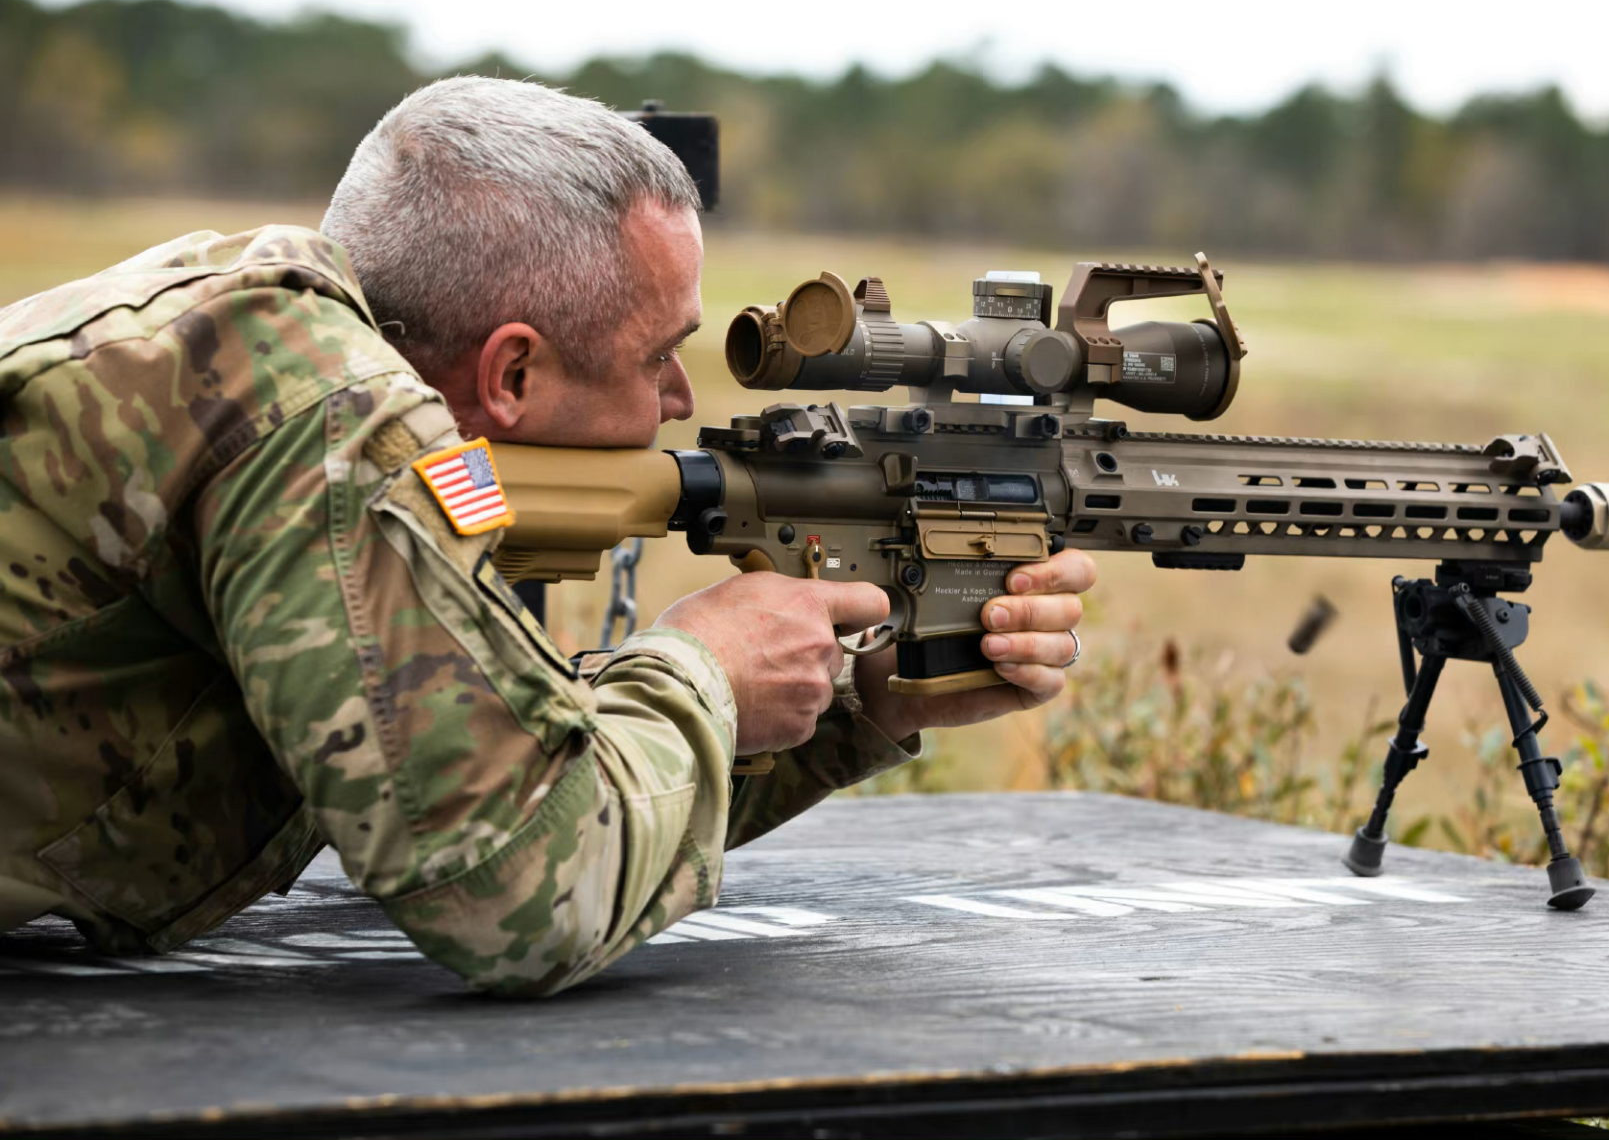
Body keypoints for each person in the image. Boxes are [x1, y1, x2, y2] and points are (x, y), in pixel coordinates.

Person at [0, 77, 1095, 995]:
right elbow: (511, 890)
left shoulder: (270, 333)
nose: (678, 397)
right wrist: (705, 667)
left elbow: (501, 765)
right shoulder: (326, 420)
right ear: (512, 374)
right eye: (657, 353)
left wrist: (866, 703)